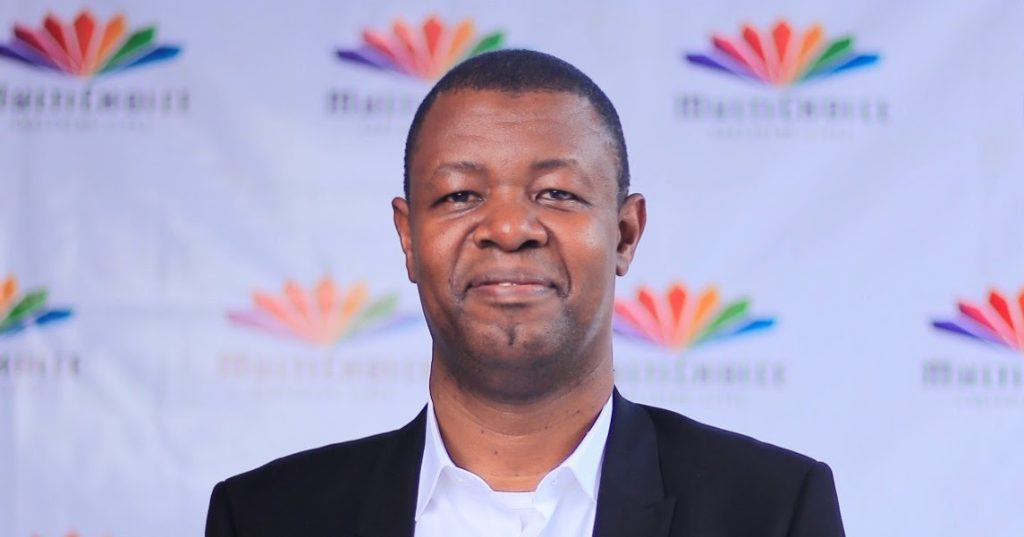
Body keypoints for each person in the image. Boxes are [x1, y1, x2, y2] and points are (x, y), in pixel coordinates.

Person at [205, 49, 845, 537]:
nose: (510, 229)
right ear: (409, 237)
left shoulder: (771, 510)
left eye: (557, 193)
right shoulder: (267, 516)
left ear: (625, 234)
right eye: (461, 195)